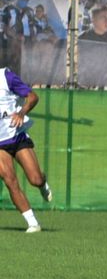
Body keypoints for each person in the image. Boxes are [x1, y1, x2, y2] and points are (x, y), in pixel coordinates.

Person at [0, 67, 52, 232]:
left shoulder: (5, 76)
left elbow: (33, 97)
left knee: (35, 179)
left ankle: (43, 184)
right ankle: (33, 223)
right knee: (10, 180)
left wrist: (21, 113)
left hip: (17, 136)